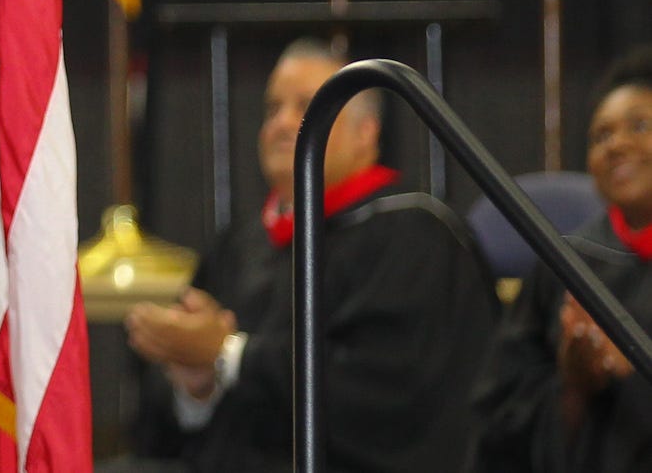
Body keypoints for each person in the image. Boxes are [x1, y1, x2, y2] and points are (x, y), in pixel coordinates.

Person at [122, 38, 496, 473]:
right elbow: (164, 424)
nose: (282, 124)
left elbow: (387, 394)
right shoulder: (240, 246)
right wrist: (197, 387)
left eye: (305, 106)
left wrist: (228, 355)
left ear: (366, 133)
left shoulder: (416, 237)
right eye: (271, 109)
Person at [473, 47, 652, 472]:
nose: (617, 146)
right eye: (600, 137)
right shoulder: (566, 265)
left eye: (639, 126)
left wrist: (634, 371)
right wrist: (573, 385)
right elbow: (498, 423)